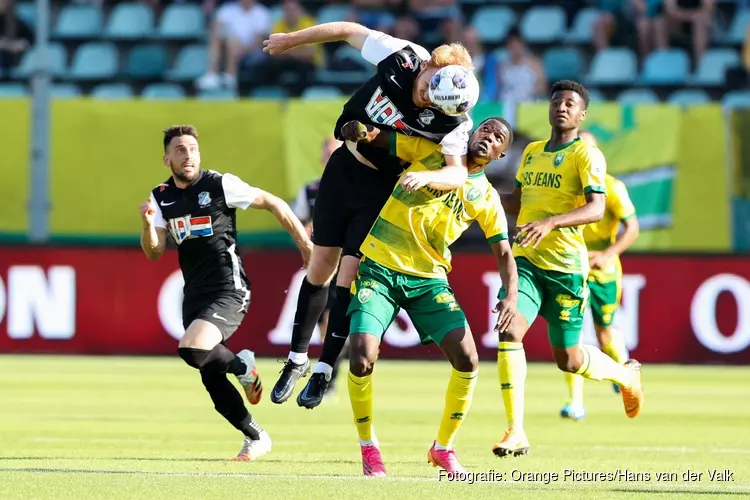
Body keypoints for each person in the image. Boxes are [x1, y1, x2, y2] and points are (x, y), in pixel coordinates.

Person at [263, 22, 476, 408]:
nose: (428, 99)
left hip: (382, 189)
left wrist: (429, 176)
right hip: (344, 168)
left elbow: (458, 170)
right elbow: (347, 29)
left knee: (349, 274)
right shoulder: (402, 54)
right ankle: (295, 359)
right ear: (428, 66)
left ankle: (325, 368)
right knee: (319, 267)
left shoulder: (454, 115)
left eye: (437, 100)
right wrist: (293, 39)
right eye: (428, 87)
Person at [339, 117, 517, 476]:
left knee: (467, 359)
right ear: (472, 132)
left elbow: (504, 254)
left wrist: (510, 295)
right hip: (379, 267)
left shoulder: (485, 197)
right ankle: (368, 446)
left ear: (500, 155)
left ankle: (443, 448)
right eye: (485, 129)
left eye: (498, 138)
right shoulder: (431, 150)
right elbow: (381, 139)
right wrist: (358, 129)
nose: (488, 137)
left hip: (429, 281)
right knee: (360, 358)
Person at [139, 125, 312, 461]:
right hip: (194, 295)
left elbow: (273, 202)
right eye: (179, 150)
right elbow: (154, 251)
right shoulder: (161, 196)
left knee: (191, 349)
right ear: (166, 159)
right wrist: (147, 225)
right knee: (210, 377)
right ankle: (256, 436)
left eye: (192, 148)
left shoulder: (220, 184)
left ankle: (243, 366)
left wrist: (304, 245)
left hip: (230, 289)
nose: (187, 155)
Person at [493, 81, 645, 458]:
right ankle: (516, 431)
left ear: (582, 115)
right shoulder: (529, 153)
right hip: (526, 261)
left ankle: (625, 374)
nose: (561, 106)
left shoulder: (586, 154)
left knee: (570, 359)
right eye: (556, 101)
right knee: (510, 330)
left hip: (565, 269)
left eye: (570, 103)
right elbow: (516, 201)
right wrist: (479, 188)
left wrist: (551, 223)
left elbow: (596, 208)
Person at [560, 130, 640, 420]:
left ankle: (626, 375)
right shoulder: (564, 189)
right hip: (570, 264)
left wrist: (608, 255)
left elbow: (632, 228)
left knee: (604, 332)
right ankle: (575, 403)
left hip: (603, 269)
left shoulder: (612, 188)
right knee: (571, 331)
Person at [290, 136, 350, 397]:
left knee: (335, 324)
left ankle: (329, 376)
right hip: (323, 263)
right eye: (326, 153)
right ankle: (327, 375)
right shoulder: (311, 191)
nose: (329, 158)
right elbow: (296, 221)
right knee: (322, 323)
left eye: (334, 153)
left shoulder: (357, 187)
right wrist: (304, 235)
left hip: (349, 265)